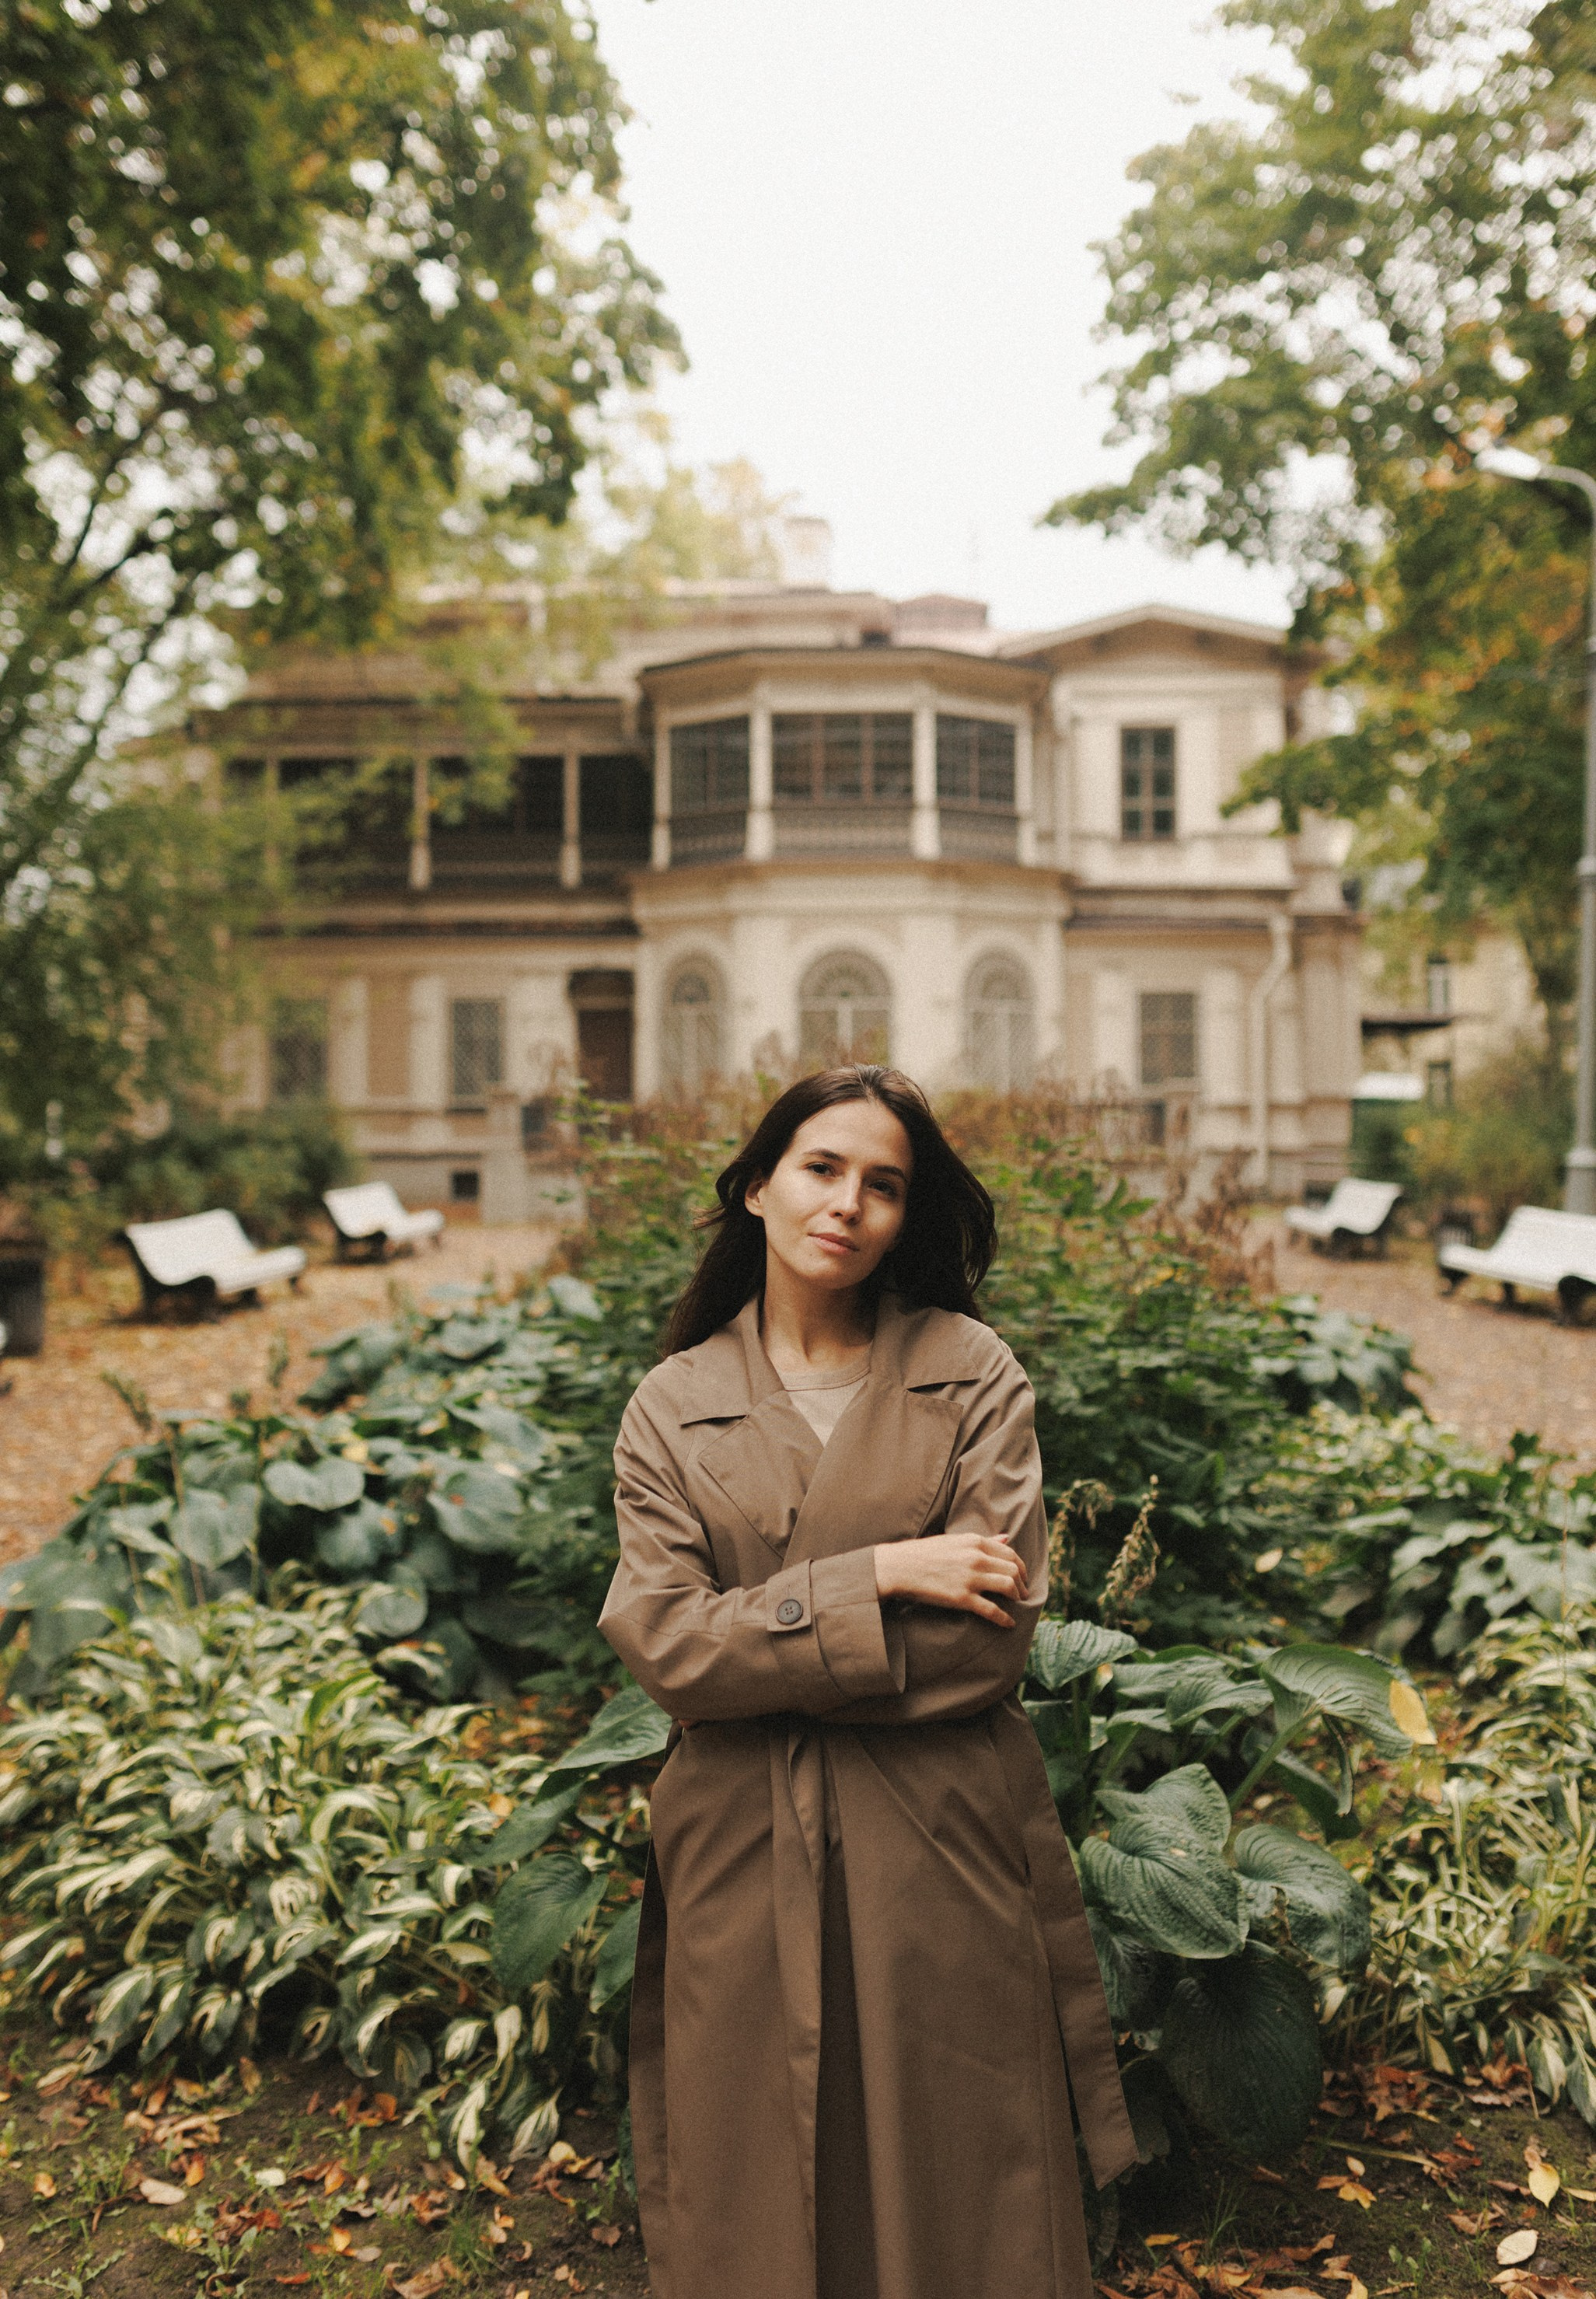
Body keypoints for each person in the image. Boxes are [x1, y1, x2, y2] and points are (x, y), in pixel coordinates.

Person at [599, 1065, 1137, 2299]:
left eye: (882, 1184)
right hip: (739, 1842)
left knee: (961, 2173)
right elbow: (665, 1646)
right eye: (821, 1167)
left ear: (905, 1215)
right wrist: (882, 1572)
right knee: (755, 2174)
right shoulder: (671, 1406)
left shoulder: (970, 1370)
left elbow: (986, 1642)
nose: (847, 1202)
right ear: (756, 1185)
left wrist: (758, 1651)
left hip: (936, 1840)